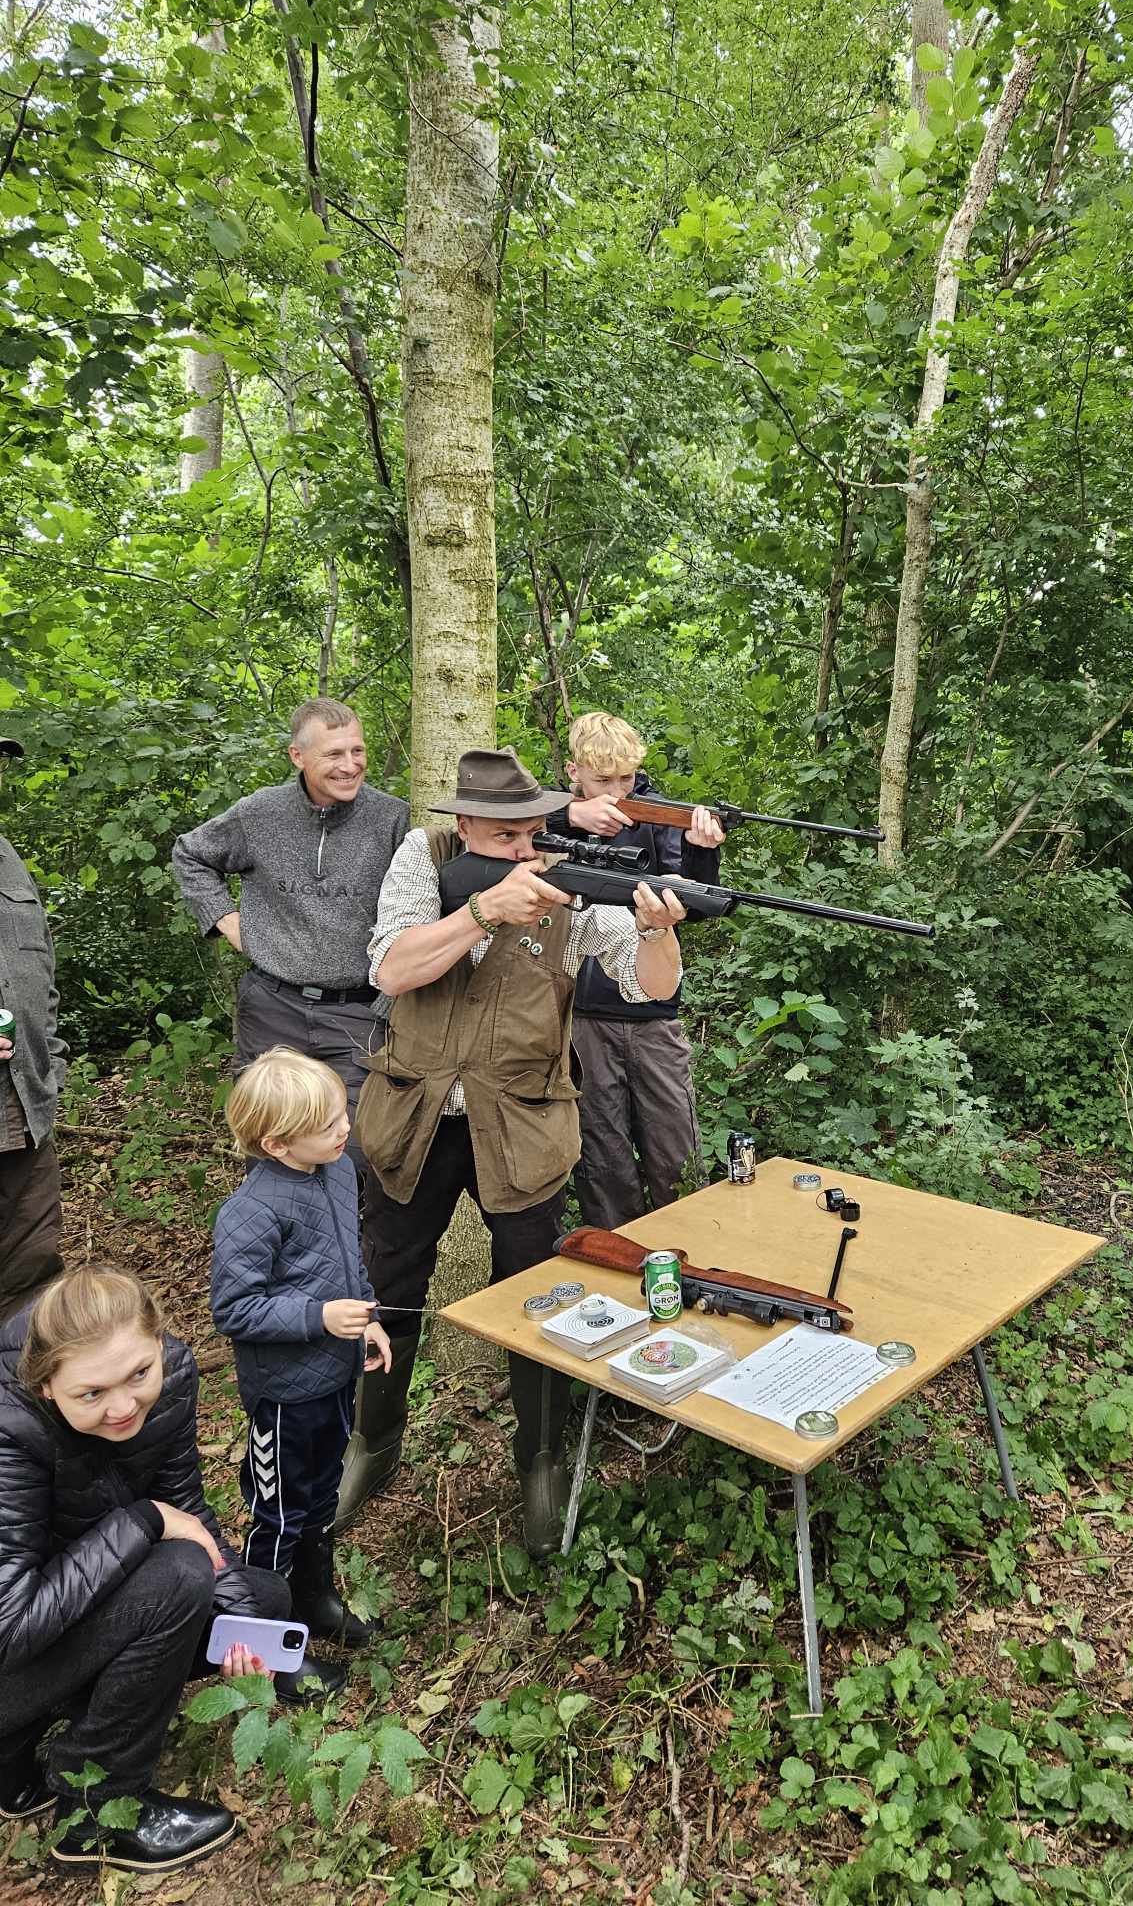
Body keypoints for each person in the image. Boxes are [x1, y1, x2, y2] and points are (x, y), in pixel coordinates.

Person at [335, 746, 686, 1553]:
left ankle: (541, 1461)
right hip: (415, 1119)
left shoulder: (568, 875)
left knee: (537, 1297)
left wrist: (659, 931)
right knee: (391, 1283)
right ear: (465, 825)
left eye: (533, 832)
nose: (526, 850)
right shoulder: (423, 858)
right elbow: (391, 969)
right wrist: (485, 910)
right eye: (506, 838)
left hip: (523, 1128)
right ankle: (373, 1443)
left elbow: (653, 985)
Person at [0, 1266, 314, 1873]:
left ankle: (18, 1755)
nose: (123, 1406)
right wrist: (143, 1521)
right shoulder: (8, 1426)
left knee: (263, 1596)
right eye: (91, 1394)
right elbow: (11, 1627)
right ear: (46, 1387)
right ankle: (95, 1811)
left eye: (139, 1374)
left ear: (157, 1342)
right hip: (12, 1650)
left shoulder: (172, 1376)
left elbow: (186, 1510)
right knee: (180, 1577)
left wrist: (245, 1626)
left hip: (67, 1618)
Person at [171, 699, 408, 1161]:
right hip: (272, 1008)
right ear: (297, 756)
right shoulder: (260, 813)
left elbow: (420, 914)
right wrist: (227, 922)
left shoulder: (394, 819)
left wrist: (386, 1006)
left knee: (354, 1154)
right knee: (271, 1144)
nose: (350, 766)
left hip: (359, 1013)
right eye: (333, 754)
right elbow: (190, 854)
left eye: (357, 751)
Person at [211, 1048, 391, 1648]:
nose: (345, 1127)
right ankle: (260, 1638)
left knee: (319, 1497)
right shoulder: (251, 1212)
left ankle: (315, 1601)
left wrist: (367, 1317)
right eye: (328, 1123)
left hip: (334, 1380)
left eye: (342, 1112)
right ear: (276, 1143)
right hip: (283, 1399)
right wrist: (319, 1317)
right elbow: (235, 1310)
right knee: (279, 1513)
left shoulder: (336, 1171)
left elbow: (347, 1259)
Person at [552, 712, 725, 1230]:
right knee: (602, 1164)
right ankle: (614, 1261)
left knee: (677, 1153)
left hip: (653, 1011)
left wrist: (701, 855)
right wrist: (571, 816)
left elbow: (690, 905)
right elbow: (509, 836)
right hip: (580, 1015)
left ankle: (693, 1254)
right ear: (574, 772)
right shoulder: (547, 813)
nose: (617, 791)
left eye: (626, 778)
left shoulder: (659, 815)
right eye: (603, 779)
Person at [0, 737, 68, 1324]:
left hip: (25, 1118)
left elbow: (39, 974)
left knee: (30, 1291)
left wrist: (52, 1067)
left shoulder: (6, 857)